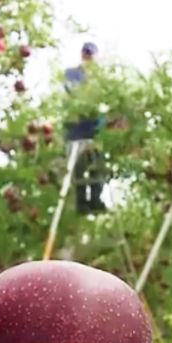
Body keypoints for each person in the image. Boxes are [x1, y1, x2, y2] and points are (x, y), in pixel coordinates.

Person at [63, 42, 107, 214]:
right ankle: (81, 203)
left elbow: (105, 102)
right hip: (76, 130)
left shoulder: (101, 79)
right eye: (86, 54)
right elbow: (72, 93)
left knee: (98, 167)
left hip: (95, 131)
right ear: (82, 54)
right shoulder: (72, 74)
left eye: (91, 55)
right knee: (80, 168)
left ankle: (96, 200)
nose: (88, 57)